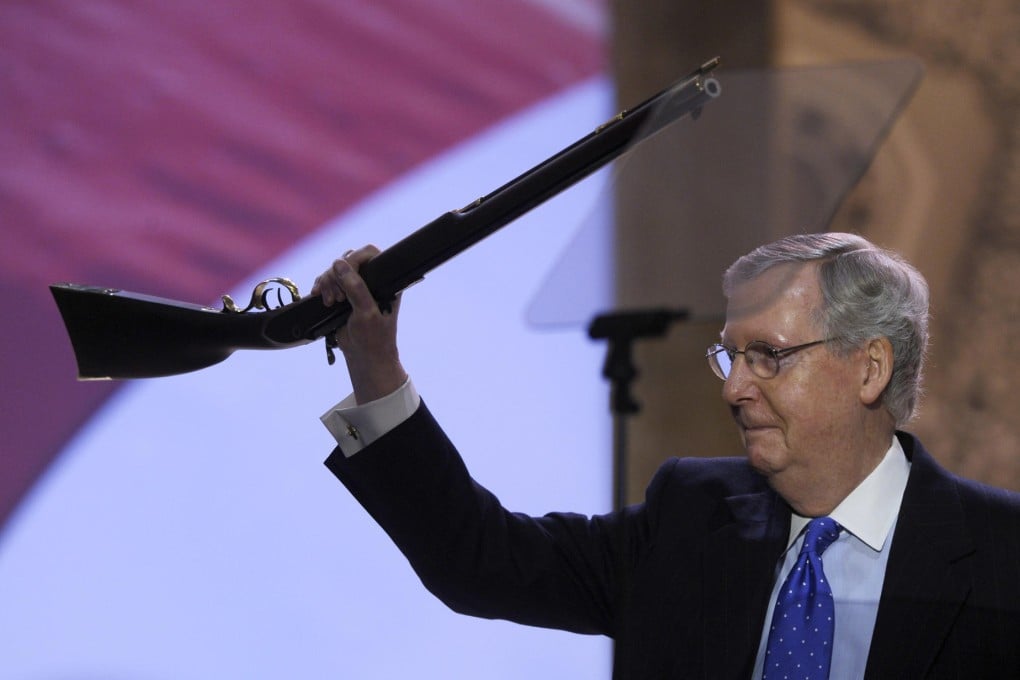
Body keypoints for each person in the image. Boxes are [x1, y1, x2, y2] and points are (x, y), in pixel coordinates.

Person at [310, 233, 1020, 679]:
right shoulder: (690, 514)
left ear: (869, 368)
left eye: (769, 357)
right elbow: (480, 560)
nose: (736, 388)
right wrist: (376, 366)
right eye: (730, 356)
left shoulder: (1002, 554)